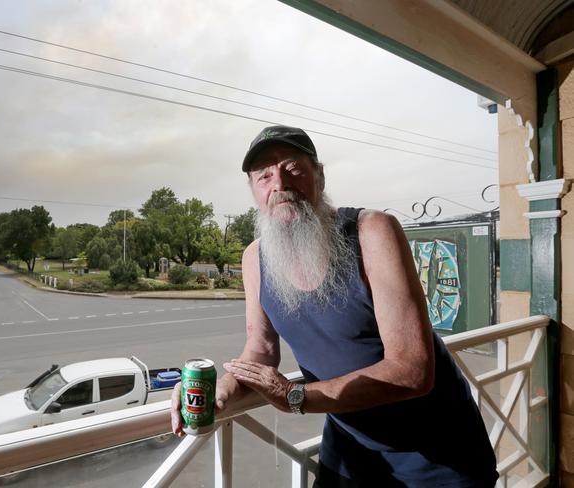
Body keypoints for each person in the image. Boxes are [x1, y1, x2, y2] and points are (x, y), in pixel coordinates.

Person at [172, 125, 498, 487]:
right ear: (254, 190)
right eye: (264, 175)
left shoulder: (372, 232)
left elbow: (413, 371)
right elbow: (261, 351)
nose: (279, 183)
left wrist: (295, 396)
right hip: (350, 445)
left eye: (292, 167)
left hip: (437, 454)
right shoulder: (255, 258)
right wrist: (222, 388)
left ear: (320, 176)